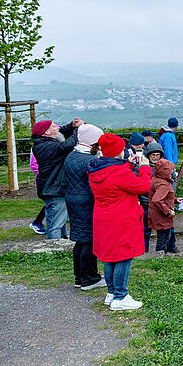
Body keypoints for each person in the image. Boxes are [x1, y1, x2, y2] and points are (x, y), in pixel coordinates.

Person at [87, 133, 150, 310]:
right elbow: (142, 186)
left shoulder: (97, 169)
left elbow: (115, 179)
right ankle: (121, 297)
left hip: (104, 218)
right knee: (124, 256)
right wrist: (145, 169)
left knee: (110, 256)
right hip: (121, 218)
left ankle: (112, 292)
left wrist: (128, 165)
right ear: (118, 151)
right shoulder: (120, 173)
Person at [62, 124, 105, 290]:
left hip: (73, 201)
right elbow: (95, 185)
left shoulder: (71, 156)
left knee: (80, 241)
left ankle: (79, 277)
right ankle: (90, 279)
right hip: (87, 203)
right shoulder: (90, 161)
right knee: (89, 240)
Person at [32, 118, 83, 239]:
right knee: (55, 224)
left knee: (60, 222)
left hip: (54, 187)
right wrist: (78, 129)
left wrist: (72, 125)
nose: (57, 128)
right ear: (47, 132)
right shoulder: (46, 147)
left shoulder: (43, 143)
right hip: (53, 189)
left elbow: (61, 132)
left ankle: (62, 245)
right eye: (54, 126)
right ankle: (54, 247)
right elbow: (68, 145)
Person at [139, 141, 166, 252]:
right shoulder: (141, 167)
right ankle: (144, 251)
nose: (155, 157)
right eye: (152, 155)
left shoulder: (164, 166)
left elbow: (172, 181)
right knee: (145, 230)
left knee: (164, 229)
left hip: (160, 203)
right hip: (147, 203)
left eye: (157, 155)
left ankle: (164, 250)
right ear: (148, 156)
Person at [148, 159, 177, 253]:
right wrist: (168, 211)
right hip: (161, 216)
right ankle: (160, 257)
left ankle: (164, 254)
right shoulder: (163, 184)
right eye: (171, 170)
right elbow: (157, 199)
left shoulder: (156, 179)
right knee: (163, 238)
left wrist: (175, 200)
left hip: (156, 214)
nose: (173, 172)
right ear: (165, 171)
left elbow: (162, 197)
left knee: (164, 236)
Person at [29, 151, 46, 235]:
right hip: (43, 181)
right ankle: (36, 222)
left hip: (51, 180)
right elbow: (33, 165)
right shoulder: (38, 148)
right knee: (50, 203)